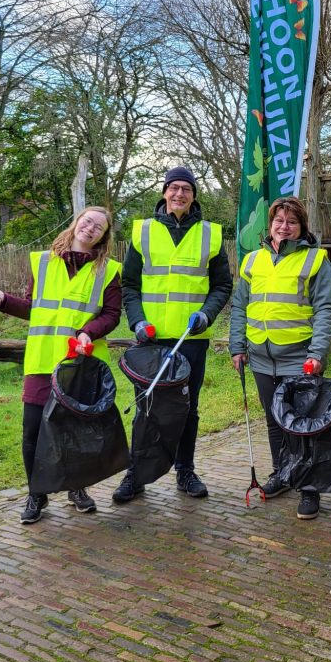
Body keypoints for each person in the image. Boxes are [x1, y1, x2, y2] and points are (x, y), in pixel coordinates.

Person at [0, 207, 122, 524]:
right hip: (42, 360)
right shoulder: (43, 262)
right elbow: (34, 308)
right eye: (86, 221)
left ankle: (76, 488)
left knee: (76, 432)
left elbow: (112, 314)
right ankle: (37, 493)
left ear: (104, 236)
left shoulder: (109, 270)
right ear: (76, 224)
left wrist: (89, 331)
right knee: (32, 431)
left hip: (80, 364)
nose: (90, 228)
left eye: (98, 227)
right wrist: (4, 300)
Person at [113, 166, 233, 503]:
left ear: (194, 196)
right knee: (145, 409)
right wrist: (137, 321)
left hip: (191, 339)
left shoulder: (210, 234)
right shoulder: (143, 233)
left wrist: (207, 314)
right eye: (174, 188)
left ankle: (185, 471)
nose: (179, 194)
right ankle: (136, 476)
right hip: (150, 340)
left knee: (188, 408)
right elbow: (131, 286)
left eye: (187, 189)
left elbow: (223, 284)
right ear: (164, 192)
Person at [229, 197, 331, 521]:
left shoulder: (315, 260)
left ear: (301, 227)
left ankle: (309, 488)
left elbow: (325, 310)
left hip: (299, 358)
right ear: (271, 224)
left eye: (291, 221)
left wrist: (317, 353)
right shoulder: (252, 261)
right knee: (275, 422)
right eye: (279, 220)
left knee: (302, 426)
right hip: (261, 357)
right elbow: (239, 307)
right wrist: (238, 346)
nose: (284, 226)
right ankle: (282, 473)